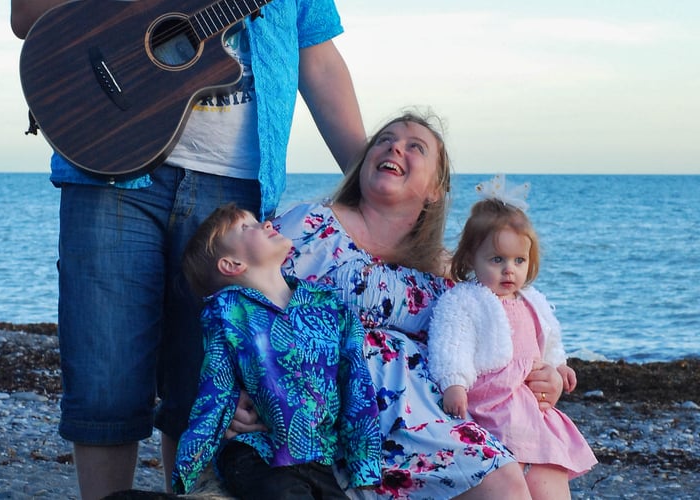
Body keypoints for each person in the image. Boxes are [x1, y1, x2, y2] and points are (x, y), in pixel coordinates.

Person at [10, 1, 366, 498]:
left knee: (203, 390)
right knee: (104, 381)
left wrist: (370, 183)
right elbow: (27, 14)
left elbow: (319, 60)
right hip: (108, 160)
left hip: (235, 191)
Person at [228, 111, 567, 499]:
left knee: (508, 486)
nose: (394, 147)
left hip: (426, 426)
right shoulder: (307, 227)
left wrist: (548, 378)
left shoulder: (450, 273)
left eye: (415, 147)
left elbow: (502, 346)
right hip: (317, 421)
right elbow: (241, 309)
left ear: (435, 189)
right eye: (385, 140)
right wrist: (238, 391)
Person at [172, 203, 382, 497]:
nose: (266, 224)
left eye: (258, 221)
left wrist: (365, 464)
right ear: (232, 265)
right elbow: (214, 390)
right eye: (247, 227)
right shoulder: (227, 312)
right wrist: (187, 469)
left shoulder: (331, 308)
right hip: (256, 452)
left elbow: (357, 388)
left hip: (319, 455)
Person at [427, 175, 597, 499]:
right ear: (469, 260)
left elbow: (549, 338)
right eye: (497, 260)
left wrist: (558, 367)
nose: (510, 270)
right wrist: (454, 382)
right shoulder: (466, 299)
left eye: (519, 260)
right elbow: (451, 343)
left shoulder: (532, 300)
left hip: (534, 414)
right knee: (509, 484)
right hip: (492, 408)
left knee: (551, 485)